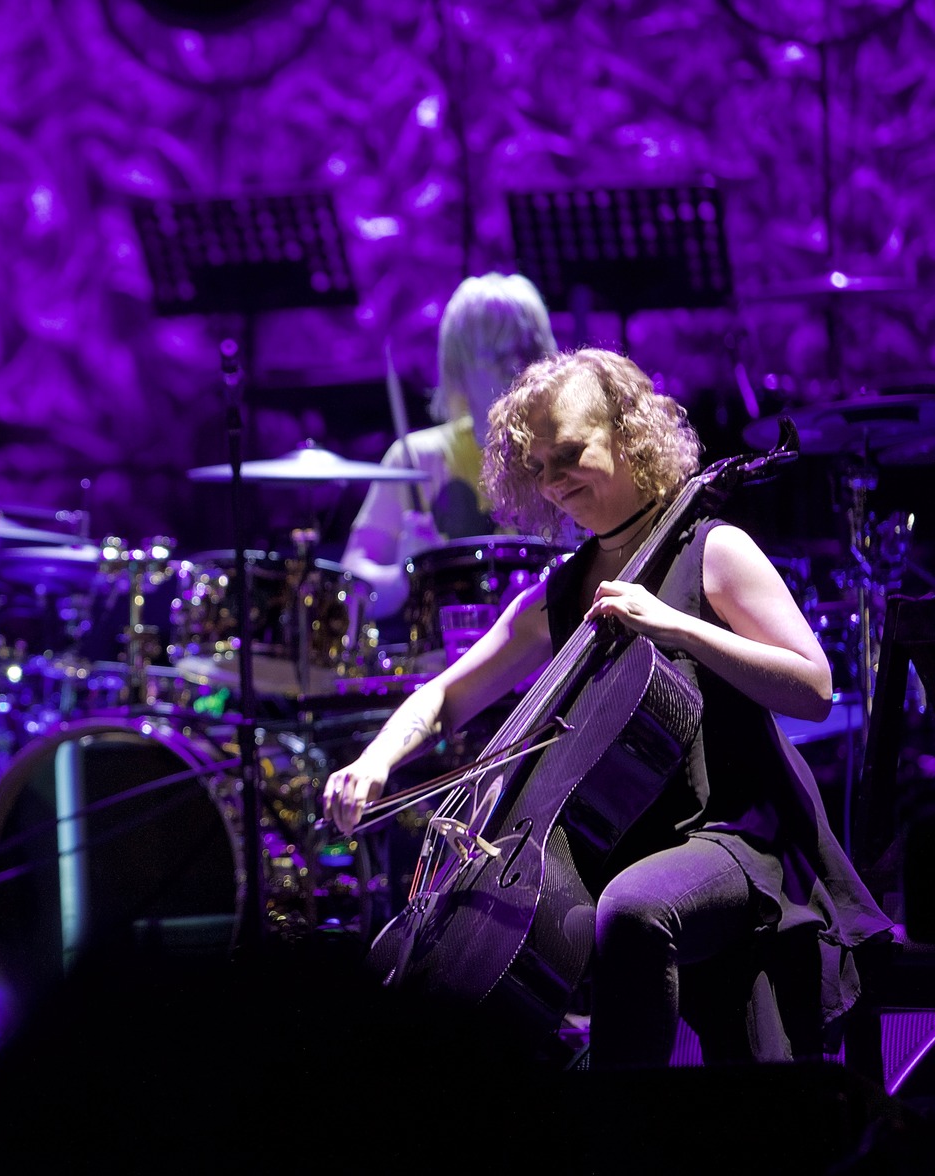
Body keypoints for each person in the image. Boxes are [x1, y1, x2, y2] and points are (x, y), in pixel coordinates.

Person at [323, 348, 889, 1067]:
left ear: (630, 436)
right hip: (625, 852)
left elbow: (812, 688)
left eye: (568, 454)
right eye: (535, 466)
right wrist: (373, 762)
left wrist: (673, 623)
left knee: (631, 910)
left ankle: (623, 1136)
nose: (553, 481)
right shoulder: (560, 595)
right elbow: (444, 694)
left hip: (737, 841)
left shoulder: (714, 552)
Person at [341, 274, 558, 619]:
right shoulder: (415, 460)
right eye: (497, 356)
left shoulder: (565, 456)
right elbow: (351, 590)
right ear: (459, 367)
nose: (517, 368)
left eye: (527, 351)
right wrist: (402, 574)